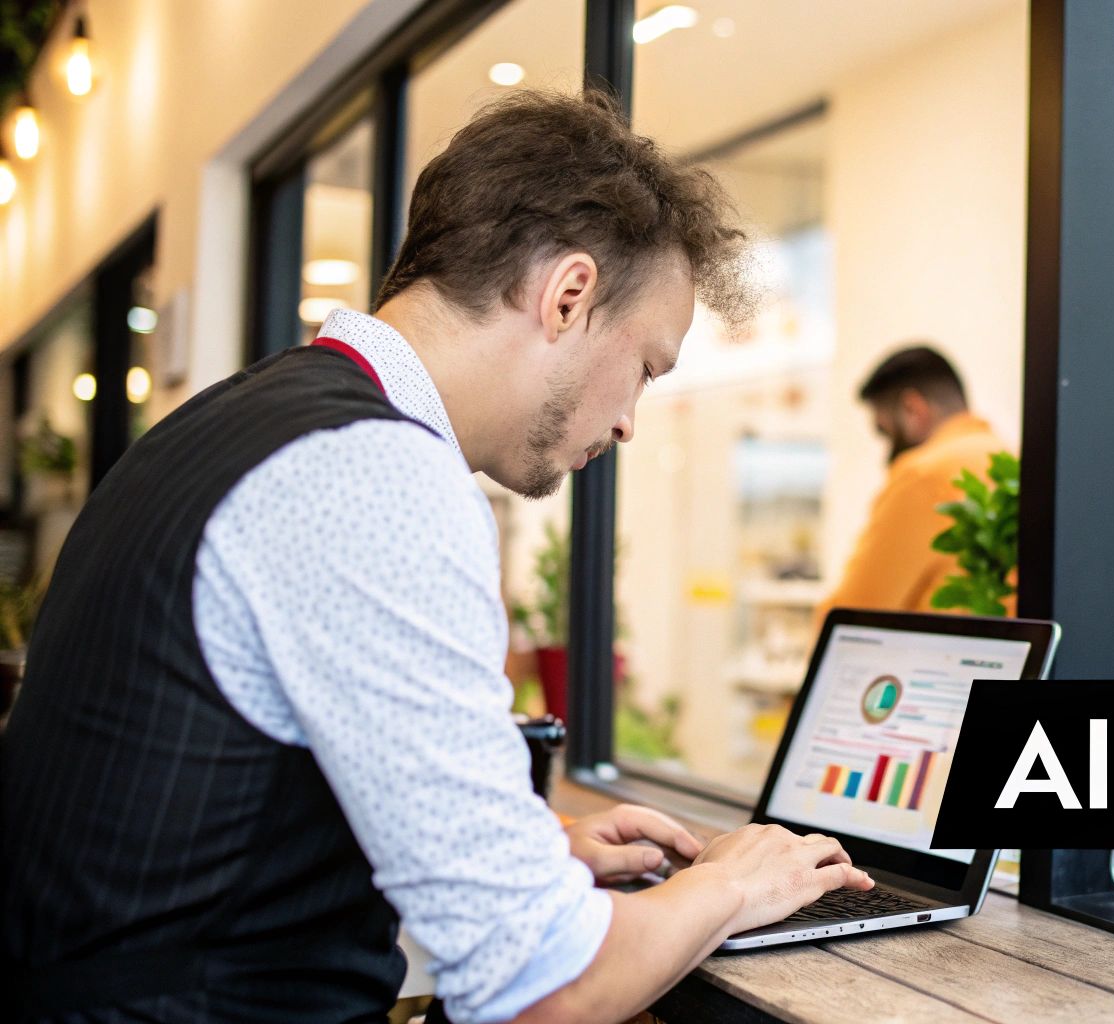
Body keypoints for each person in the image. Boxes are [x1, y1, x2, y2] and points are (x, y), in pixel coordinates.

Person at [0, 90, 870, 1024]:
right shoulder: (374, 475)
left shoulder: (236, 422)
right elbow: (550, 990)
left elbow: (213, 813)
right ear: (567, 295)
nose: (626, 418)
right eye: (646, 368)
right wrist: (735, 883)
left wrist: (529, 851)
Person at [815, 345, 1013, 625]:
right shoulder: (1010, 462)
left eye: (885, 431)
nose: (887, 452)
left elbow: (853, 617)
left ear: (913, 409)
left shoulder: (924, 476)